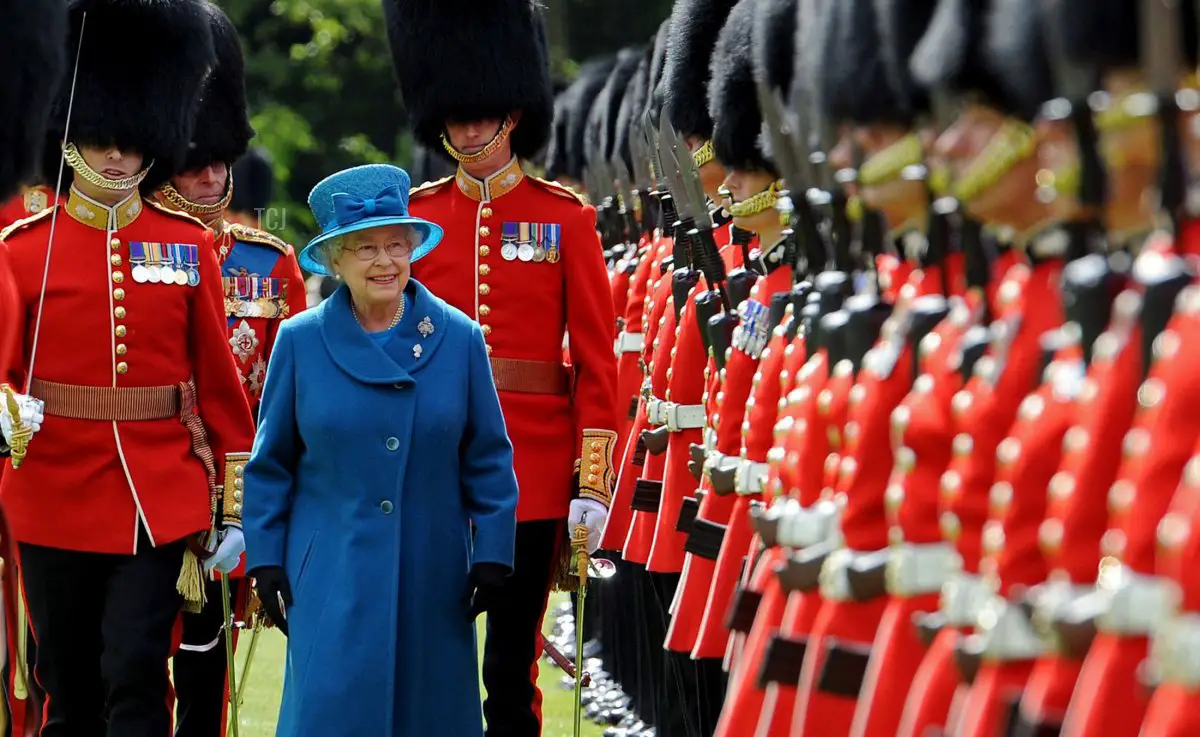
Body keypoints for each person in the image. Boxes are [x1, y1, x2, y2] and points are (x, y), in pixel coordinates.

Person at [0, 1, 256, 735]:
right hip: (50, 487)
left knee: (137, 670)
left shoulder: (185, 244)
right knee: (68, 687)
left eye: (131, 142)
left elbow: (218, 385)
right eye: (101, 139)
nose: (116, 157)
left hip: (158, 492)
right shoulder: (22, 248)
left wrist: (231, 500)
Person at [383, 2, 619, 735]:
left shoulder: (566, 219)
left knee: (511, 666)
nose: (469, 129)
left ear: (513, 112)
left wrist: (591, 478)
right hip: (431, 465)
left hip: (534, 470)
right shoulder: (415, 223)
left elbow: (597, 362)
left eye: (482, 113)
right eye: (455, 115)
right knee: (431, 650)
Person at [242, 163, 519, 737]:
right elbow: (270, 465)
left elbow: (489, 458)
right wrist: (265, 558)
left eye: (397, 244)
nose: (385, 261)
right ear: (336, 260)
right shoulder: (299, 340)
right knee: (332, 714)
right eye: (365, 248)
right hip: (330, 573)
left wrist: (493, 552)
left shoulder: (460, 337)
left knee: (430, 715)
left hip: (433, 571)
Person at [154, 5, 308, 737]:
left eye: (221, 161)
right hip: (150, 484)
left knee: (209, 669)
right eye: (195, 161)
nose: (213, 176)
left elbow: (288, 390)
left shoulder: (269, 262)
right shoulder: (142, 251)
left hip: (230, 497)